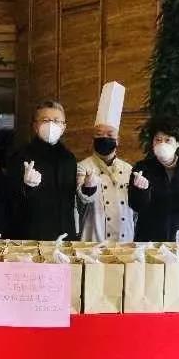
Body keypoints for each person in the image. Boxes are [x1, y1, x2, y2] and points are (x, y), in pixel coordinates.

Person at [8, 100, 77, 241]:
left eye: (56, 121)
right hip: (31, 235)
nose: (51, 125)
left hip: (64, 235)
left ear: (63, 127)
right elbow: (10, 197)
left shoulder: (69, 158)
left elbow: (70, 199)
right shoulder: (20, 156)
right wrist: (26, 186)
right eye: (45, 120)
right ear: (35, 126)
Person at [76, 81, 136, 242]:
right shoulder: (83, 167)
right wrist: (88, 187)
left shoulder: (128, 169)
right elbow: (82, 200)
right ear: (93, 138)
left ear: (118, 140)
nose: (104, 138)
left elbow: (136, 208)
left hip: (125, 242)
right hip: (93, 242)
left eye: (110, 135)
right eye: (99, 134)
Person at [128, 117, 179, 242]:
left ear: (178, 143)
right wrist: (141, 191)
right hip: (148, 239)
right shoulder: (142, 169)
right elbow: (135, 205)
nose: (162, 144)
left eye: (168, 140)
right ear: (152, 143)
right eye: (158, 140)